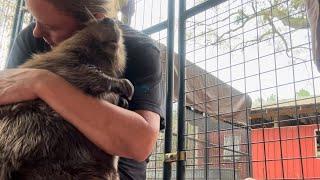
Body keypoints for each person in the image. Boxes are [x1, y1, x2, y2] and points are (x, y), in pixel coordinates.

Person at [3, 0, 165, 179]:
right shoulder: (32, 38)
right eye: (34, 19)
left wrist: (41, 82)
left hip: (100, 169)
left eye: (50, 27)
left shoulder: (139, 48)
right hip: (33, 160)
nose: (37, 31)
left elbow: (140, 143)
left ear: (92, 22)